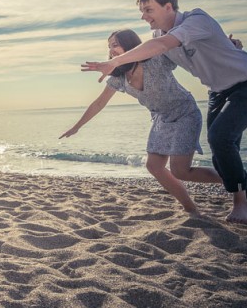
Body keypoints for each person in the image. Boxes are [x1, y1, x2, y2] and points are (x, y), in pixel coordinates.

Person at [82, 0, 247, 224]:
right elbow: (153, 50)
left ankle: (241, 205)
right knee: (220, 154)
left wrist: (115, 60)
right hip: (218, 91)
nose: (144, 16)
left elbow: (162, 45)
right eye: (142, 11)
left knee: (220, 138)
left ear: (169, 7)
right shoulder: (158, 37)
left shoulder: (196, 20)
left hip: (246, 82)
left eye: (149, 9)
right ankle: (244, 193)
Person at [61, 29, 221, 215]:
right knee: (154, 166)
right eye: (109, 47)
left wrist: (221, 47)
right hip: (161, 117)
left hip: (185, 113)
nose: (111, 50)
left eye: (115, 45)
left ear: (129, 44)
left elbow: (186, 51)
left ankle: (233, 176)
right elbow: (99, 103)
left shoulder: (156, 60)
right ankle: (191, 208)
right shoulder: (119, 77)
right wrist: (77, 127)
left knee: (180, 171)